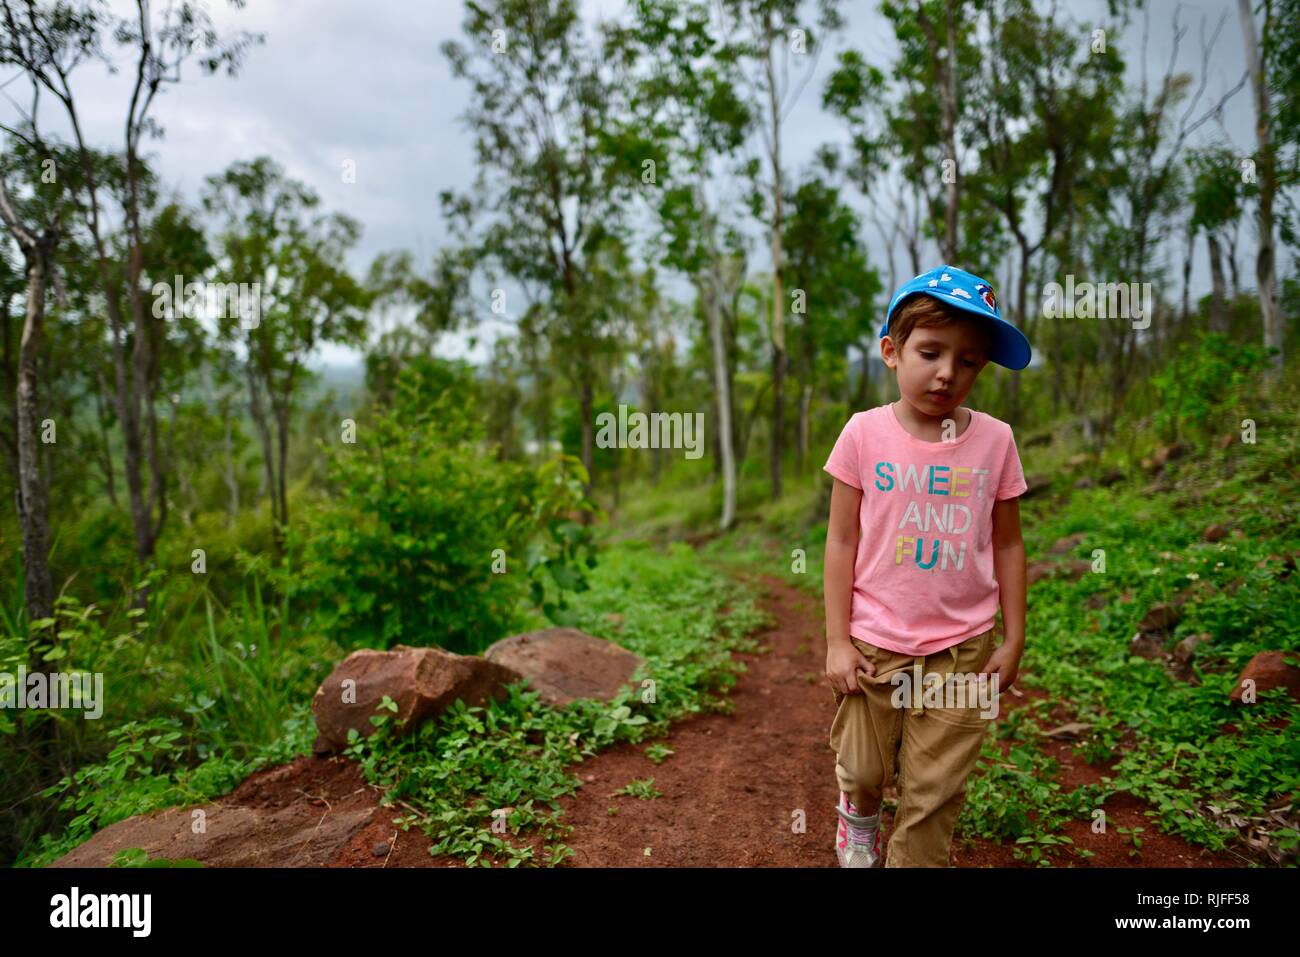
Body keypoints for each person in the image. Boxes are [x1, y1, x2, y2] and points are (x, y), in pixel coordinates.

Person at [822, 264, 1030, 868]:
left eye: (968, 361)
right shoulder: (863, 434)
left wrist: (1014, 637)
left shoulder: (996, 441)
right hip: (874, 639)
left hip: (963, 646)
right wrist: (838, 640)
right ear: (892, 351)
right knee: (861, 769)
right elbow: (840, 541)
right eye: (930, 352)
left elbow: (1010, 545)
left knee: (933, 792)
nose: (947, 372)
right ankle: (858, 818)